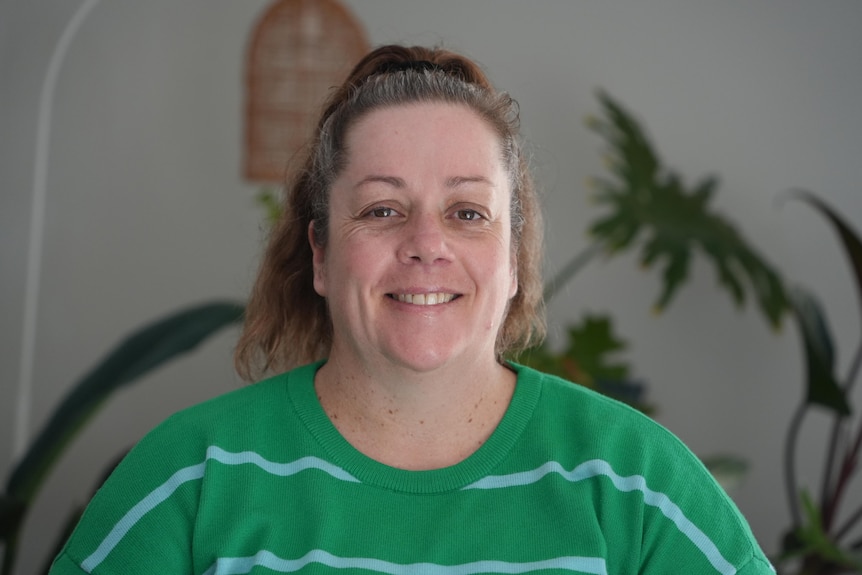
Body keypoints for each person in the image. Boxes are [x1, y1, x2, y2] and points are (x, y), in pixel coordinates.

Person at [49, 44, 775, 575]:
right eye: (383, 208)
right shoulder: (188, 475)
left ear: (514, 260)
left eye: (466, 211)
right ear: (323, 255)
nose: (426, 244)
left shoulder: (639, 483)